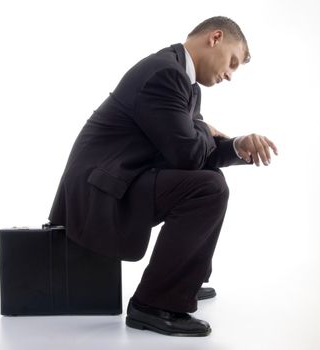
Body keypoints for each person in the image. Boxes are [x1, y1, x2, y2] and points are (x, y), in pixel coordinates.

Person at [48, 16, 278, 336]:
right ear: (215, 38)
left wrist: (237, 145)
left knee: (208, 182)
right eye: (232, 62)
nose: (229, 75)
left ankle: (184, 281)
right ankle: (154, 304)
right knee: (208, 188)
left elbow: (196, 154)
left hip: (120, 181)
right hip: (99, 191)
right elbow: (187, 155)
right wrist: (203, 128)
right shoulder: (164, 74)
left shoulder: (185, 83)